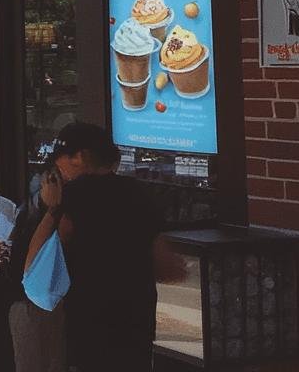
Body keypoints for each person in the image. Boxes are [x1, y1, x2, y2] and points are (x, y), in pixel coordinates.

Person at [23, 122, 185, 371]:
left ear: (80, 157)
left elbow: (33, 271)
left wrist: (52, 210)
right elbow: (168, 268)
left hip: (89, 327)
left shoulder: (72, 198)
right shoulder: (139, 193)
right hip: (136, 325)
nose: (58, 170)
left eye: (60, 161)